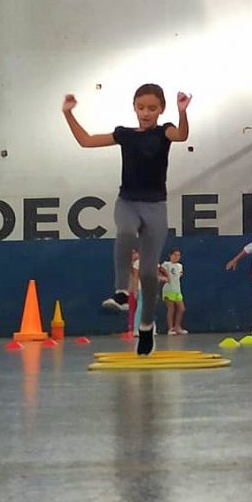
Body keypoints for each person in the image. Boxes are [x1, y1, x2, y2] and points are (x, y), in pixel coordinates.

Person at [62, 84, 191, 355]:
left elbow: (181, 135)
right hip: (128, 202)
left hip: (156, 207)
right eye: (141, 107)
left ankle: (146, 327)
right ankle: (121, 291)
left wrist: (182, 113)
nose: (146, 113)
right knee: (125, 231)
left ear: (161, 109)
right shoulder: (124, 135)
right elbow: (86, 140)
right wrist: (68, 114)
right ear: (134, 107)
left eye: (152, 108)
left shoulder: (164, 131)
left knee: (147, 272)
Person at [161, 248, 187, 335]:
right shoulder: (166, 264)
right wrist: (164, 277)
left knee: (181, 309)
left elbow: (179, 275)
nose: (176, 257)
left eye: (178, 255)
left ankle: (177, 327)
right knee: (171, 309)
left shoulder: (180, 266)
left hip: (177, 290)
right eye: (175, 255)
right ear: (170, 255)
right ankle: (170, 328)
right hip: (168, 289)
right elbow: (159, 270)